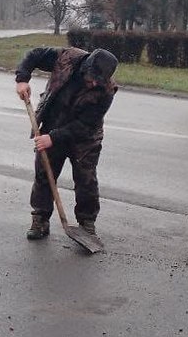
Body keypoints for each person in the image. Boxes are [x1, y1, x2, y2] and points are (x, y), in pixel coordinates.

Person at [15, 27, 118, 240]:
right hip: (53, 122)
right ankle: (41, 219)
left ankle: (87, 224)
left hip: (84, 137)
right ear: (86, 67)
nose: (95, 83)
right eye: (93, 78)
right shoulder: (67, 59)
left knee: (86, 179)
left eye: (100, 80)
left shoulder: (106, 91)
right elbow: (34, 55)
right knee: (45, 173)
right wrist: (22, 79)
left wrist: (53, 138)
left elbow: (85, 125)